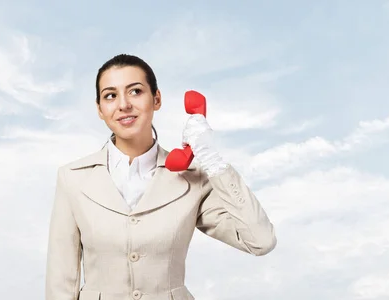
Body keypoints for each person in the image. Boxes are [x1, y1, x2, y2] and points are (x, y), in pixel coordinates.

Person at [45, 54, 277, 300]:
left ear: (156, 99)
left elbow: (260, 241)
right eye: (110, 96)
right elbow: (61, 282)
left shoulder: (191, 180)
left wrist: (213, 162)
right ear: (100, 109)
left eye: (135, 91)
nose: (123, 105)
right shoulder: (73, 179)